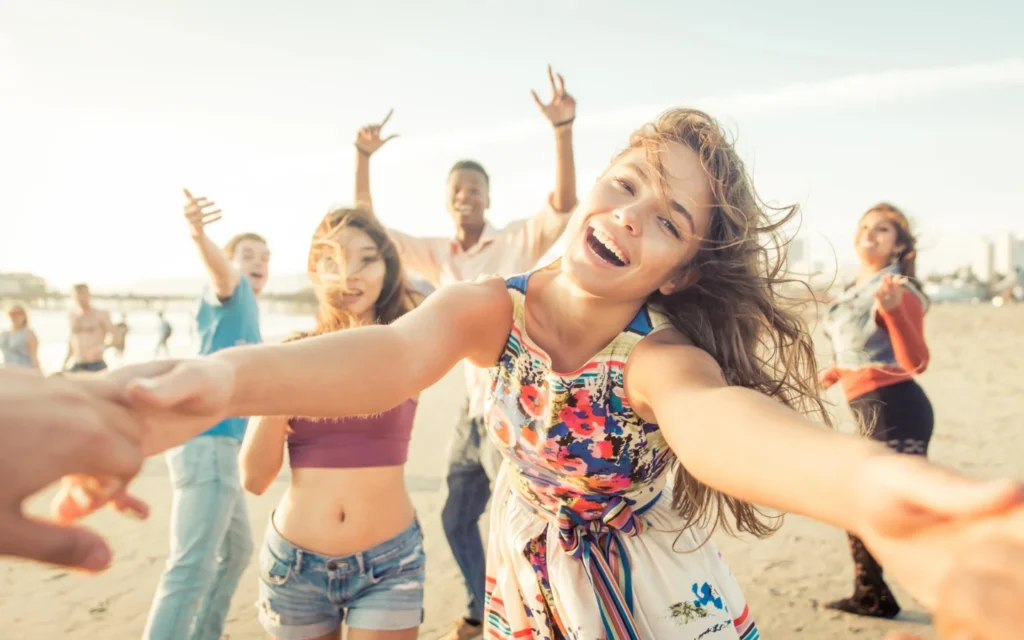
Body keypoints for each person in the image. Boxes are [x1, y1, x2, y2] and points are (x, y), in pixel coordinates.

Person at [64, 107, 1024, 640]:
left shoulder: (660, 356)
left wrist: (895, 500)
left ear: (680, 270)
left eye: (668, 222)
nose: (628, 216)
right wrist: (225, 382)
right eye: (625, 186)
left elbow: (730, 433)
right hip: (531, 580)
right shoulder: (494, 307)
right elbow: (387, 359)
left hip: (650, 600)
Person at [353, 65, 578, 639]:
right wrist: (364, 159)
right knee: (457, 515)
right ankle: (486, 608)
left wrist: (562, 129)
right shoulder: (441, 254)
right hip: (471, 411)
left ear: (487, 199)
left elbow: (564, 203)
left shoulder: (515, 242)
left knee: (523, 518)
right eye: (456, 191)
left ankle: (535, 616)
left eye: (473, 191)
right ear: (448, 201)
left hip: (519, 404)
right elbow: (374, 231)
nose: (464, 198)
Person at [241, 208, 426, 640]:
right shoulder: (291, 354)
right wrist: (282, 384)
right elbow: (253, 478)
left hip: (390, 563)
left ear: (387, 267)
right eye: (333, 261)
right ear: (313, 270)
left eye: (366, 259)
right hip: (294, 567)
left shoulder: (410, 343)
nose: (350, 274)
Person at [141, 189, 270, 640]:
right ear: (233, 262)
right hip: (207, 445)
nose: (259, 263)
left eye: (266, 258)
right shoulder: (232, 294)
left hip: (224, 449)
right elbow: (221, 273)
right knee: (189, 567)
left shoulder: (247, 310)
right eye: (249, 255)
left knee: (235, 553)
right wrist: (199, 235)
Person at [820, 203, 933, 618]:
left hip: (896, 408)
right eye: (864, 225)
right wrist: (837, 371)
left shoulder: (898, 288)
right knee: (863, 502)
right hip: (867, 407)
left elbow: (915, 362)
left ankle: (967, 579)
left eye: (882, 229)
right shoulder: (853, 290)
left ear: (898, 244)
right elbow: (862, 351)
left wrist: (891, 308)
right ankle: (871, 593)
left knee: (893, 508)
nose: (869, 233)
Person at [62, 283, 115, 372]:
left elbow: (116, 337)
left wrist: (101, 348)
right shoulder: (73, 316)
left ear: (89, 295)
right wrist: (65, 362)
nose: (80, 297)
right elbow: (72, 341)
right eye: (77, 294)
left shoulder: (101, 314)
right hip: (78, 364)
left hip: (96, 364)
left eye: (83, 294)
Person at [0, 304, 41, 370]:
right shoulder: (4, 334)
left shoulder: (29, 334)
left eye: (18, 313)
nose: (14, 316)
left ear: (24, 316)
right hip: (7, 370)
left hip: (24, 371)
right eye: (12, 313)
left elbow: (34, 359)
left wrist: (40, 375)